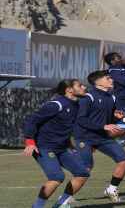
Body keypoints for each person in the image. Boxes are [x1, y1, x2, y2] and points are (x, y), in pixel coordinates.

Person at [23, 79, 89, 208]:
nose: (84, 87)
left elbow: (63, 126)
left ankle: (60, 204)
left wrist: (69, 144)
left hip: (62, 148)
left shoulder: (76, 104)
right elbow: (32, 120)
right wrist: (30, 142)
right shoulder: (56, 104)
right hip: (44, 147)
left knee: (82, 173)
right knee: (57, 177)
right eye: (79, 85)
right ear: (69, 90)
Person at [74, 70, 125, 203]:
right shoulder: (88, 97)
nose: (111, 80)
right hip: (85, 137)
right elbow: (81, 120)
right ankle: (65, 198)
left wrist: (118, 119)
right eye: (108, 78)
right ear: (97, 82)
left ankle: (112, 188)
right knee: (86, 169)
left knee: (124, 160)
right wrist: (103, 126)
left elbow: (112, 118)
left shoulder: (112, 97)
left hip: (102, 137)